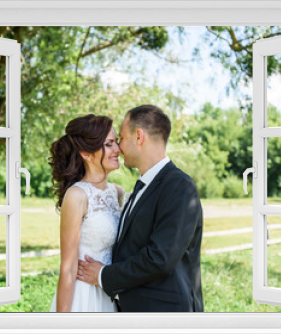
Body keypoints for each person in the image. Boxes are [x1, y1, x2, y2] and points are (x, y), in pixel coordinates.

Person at [77, 105, 204, 312]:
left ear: (139, 137)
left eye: (121, 138)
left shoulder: (179, 186)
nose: (118, 147)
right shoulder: (144, 185)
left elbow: (160, 258)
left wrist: (103, 275)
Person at [48, 114, 125, 312]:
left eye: (116, 142)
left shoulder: (117, 192)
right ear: (86, 153)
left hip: (108, 293)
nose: (118, 149)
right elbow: (68, 268)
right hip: (83, 297)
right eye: (109, 144)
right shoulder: (77, 195)